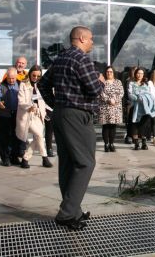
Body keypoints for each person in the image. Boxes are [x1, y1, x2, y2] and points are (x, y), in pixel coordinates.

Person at [38, 26, 104, 231]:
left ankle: (73, 210)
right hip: (77, 115)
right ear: (82, 38)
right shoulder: (81, 59)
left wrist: (56, 103)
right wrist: (101, 80)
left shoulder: (60, 58)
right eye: (91, 39)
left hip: (61, 114)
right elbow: (94, 89)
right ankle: (67, 213)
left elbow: (41, 84)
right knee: (85, 163)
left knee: (68, 163)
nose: (93, 42)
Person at [16, 66, 52, 168]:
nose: (36, 78)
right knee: (39, 135)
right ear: (30, 74)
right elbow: (21, 101)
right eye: (34, 75)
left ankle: (25, 159)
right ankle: (45, 158)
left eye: (38, 76)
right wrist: (29, 107)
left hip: (39, 114)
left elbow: (44, 100)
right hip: (27, 114)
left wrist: (49, 109)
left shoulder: (41, 85)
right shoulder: (23, 84)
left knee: (38, 137)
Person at [0, 67, 20, 166]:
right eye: (9, 78)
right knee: (4, 138)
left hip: (17, 115)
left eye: (13, 78)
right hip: (4, 115)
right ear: (6, 77)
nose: (11, 80)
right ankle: (5, 158)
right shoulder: (1, 86)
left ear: (16, 77)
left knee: (16, 137)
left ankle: (14, 157)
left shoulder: (20, 84)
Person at [128, 67, 155, 150]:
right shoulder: (131, 83)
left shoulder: (146, 84)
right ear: (135, 74)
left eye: (141, 73)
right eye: (138, 73)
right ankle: (136, 143)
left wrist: (144, 98)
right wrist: (138, 98)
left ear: (143, 74)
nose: (139, 75)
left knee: (144, 125)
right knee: (135, 125)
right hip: (135, 107)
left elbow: (149, 95)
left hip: (145, 108)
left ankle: (144, 142)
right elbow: (130, 95)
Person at [97, 66, 123, 152]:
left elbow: (121, 93)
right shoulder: (102, 82)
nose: (109, 73)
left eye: (111, 72)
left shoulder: (118, 82)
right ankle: (106, 144)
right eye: (108, 71)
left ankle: (111, 144)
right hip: (105, 107)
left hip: (115, 107)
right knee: (106, 126)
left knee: (113, 126)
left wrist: (115, 100)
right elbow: (100, 92)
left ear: (113, 73)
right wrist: (108, 100)